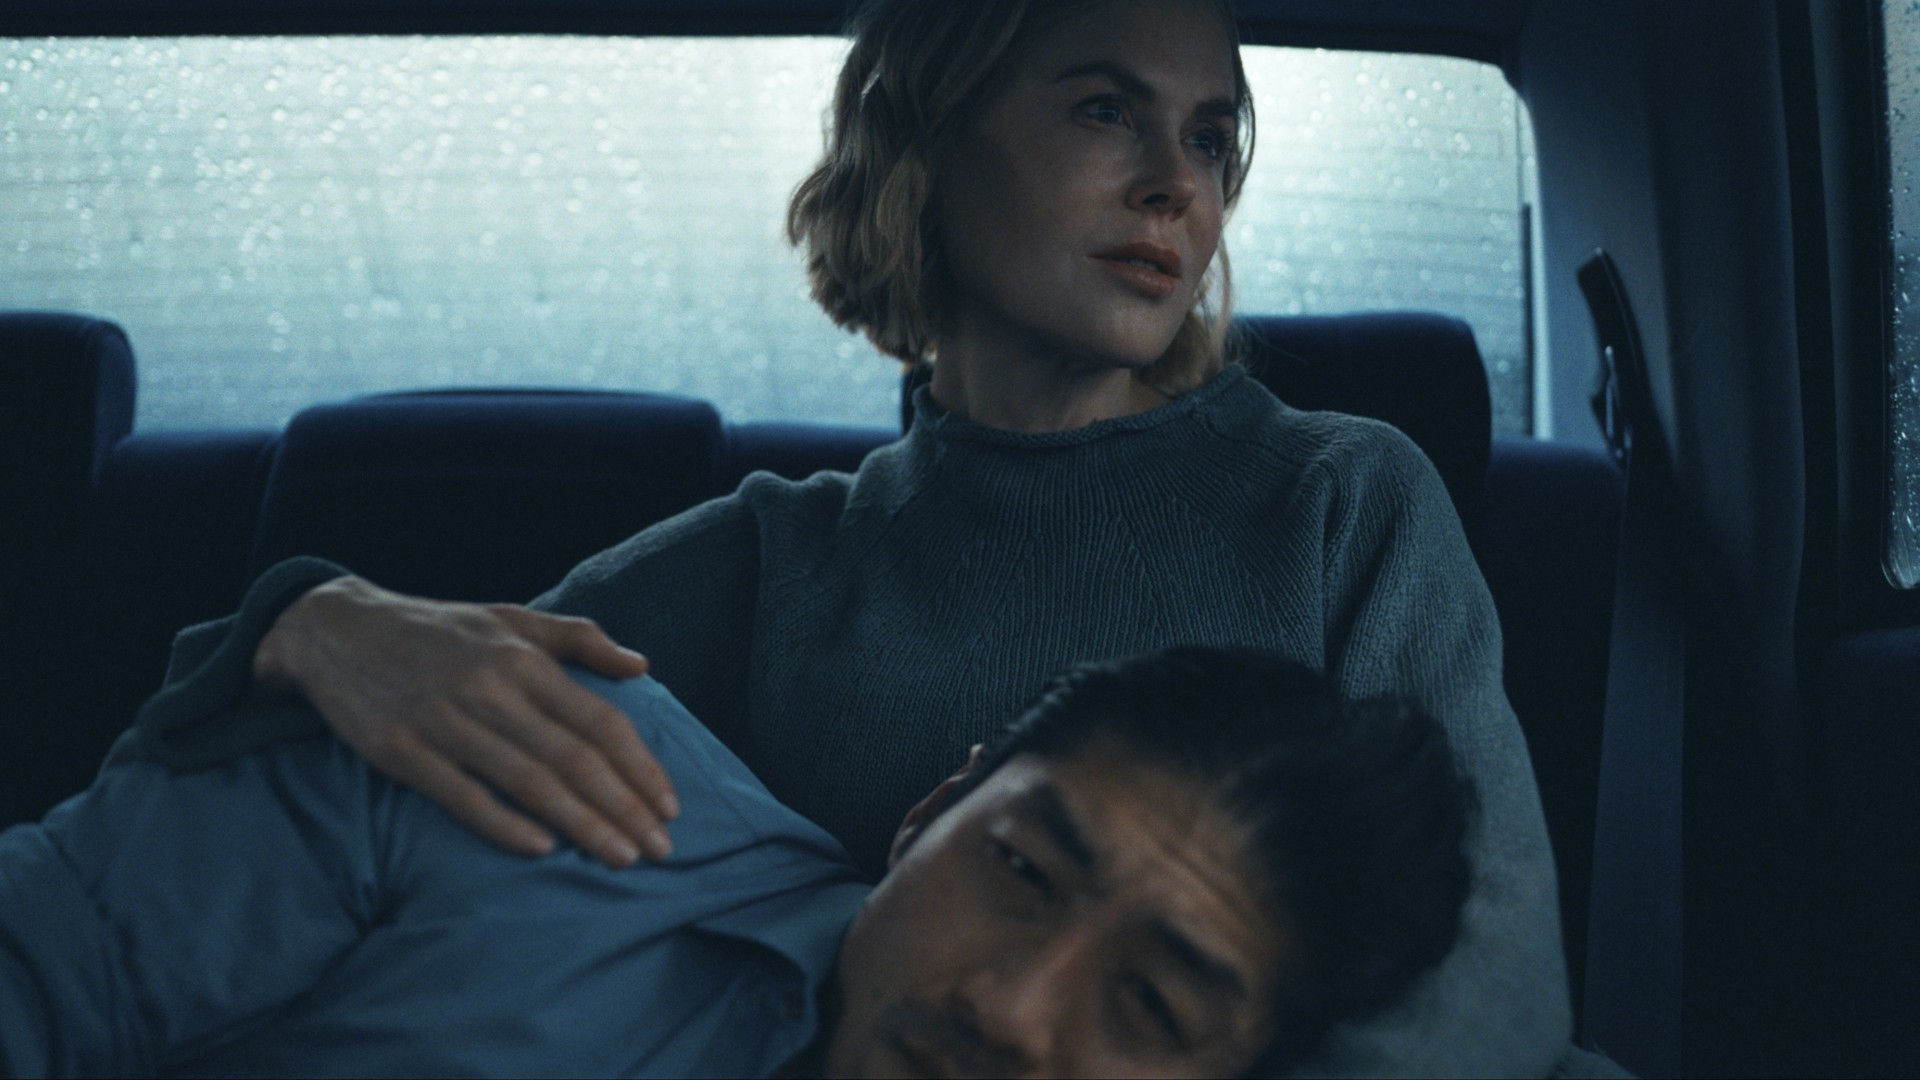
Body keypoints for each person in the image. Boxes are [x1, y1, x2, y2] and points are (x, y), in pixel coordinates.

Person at [119, 0, 1573, 1072]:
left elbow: (1489, 1000)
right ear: (925, 135)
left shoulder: (1340, 497)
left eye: (1209, 137)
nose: (1175, 184)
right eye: (1103, 110)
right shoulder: (775, 560)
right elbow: (394, 758)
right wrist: (309, 622)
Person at [2, 648, 1475, 1078]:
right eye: (1022, 873)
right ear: (931, 816)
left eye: (1146, 1008)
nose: (1013, 1009)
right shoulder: (526, 766)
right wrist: (292, 620)